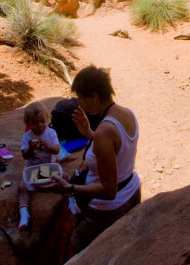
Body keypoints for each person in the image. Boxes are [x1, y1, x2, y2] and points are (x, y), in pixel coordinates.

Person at [44, 65, 141, 255]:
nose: (78, 103)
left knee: (76, 248)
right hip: (131, 190)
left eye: (81, 97)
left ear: (94, 97)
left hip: (110, 207)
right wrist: (89, 133)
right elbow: (116, 149)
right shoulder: (127, 113)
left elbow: (108, 190)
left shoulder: (105, 131)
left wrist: (69, 188)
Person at [18, 101, 61, 231]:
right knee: (21, 188)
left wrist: (49, 147)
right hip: (33, 170)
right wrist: (30, 149)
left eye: (42, 121)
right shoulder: (26, 137)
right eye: (35, 123)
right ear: (28, 123)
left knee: (65, 176)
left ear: (47, 119)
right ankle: (24, 214)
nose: (40, 125)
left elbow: (57, 150)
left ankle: (71, 200)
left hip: (48, 168)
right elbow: (25, 155)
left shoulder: (51, 133)